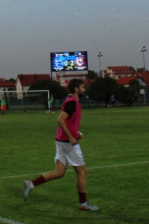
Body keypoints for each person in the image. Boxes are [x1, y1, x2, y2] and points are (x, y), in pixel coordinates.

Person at [22, 79, 99, 211]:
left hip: (61, 141)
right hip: (68, 143)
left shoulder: (71, 101)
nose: (84, 89)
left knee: (59, 172)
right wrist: (71, 137)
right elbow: (60, 120)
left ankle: (31, 184)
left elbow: (69, 122)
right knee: (82, 171)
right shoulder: (72, 103)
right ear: (76, 89)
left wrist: (76, 133)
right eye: (82, 87)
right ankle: (83, 203)